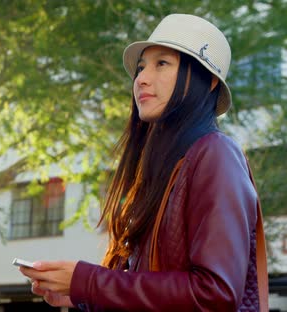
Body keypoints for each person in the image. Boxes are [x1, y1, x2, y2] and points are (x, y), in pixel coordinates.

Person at [19, 14, 268, 311]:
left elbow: (213, 294)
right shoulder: (163, 169)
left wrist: (88, 281)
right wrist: (84, 297)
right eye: (140, 67)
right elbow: (152, 290)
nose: (141, 78)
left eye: (162, 63)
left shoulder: (216, 154)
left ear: (209, 80)